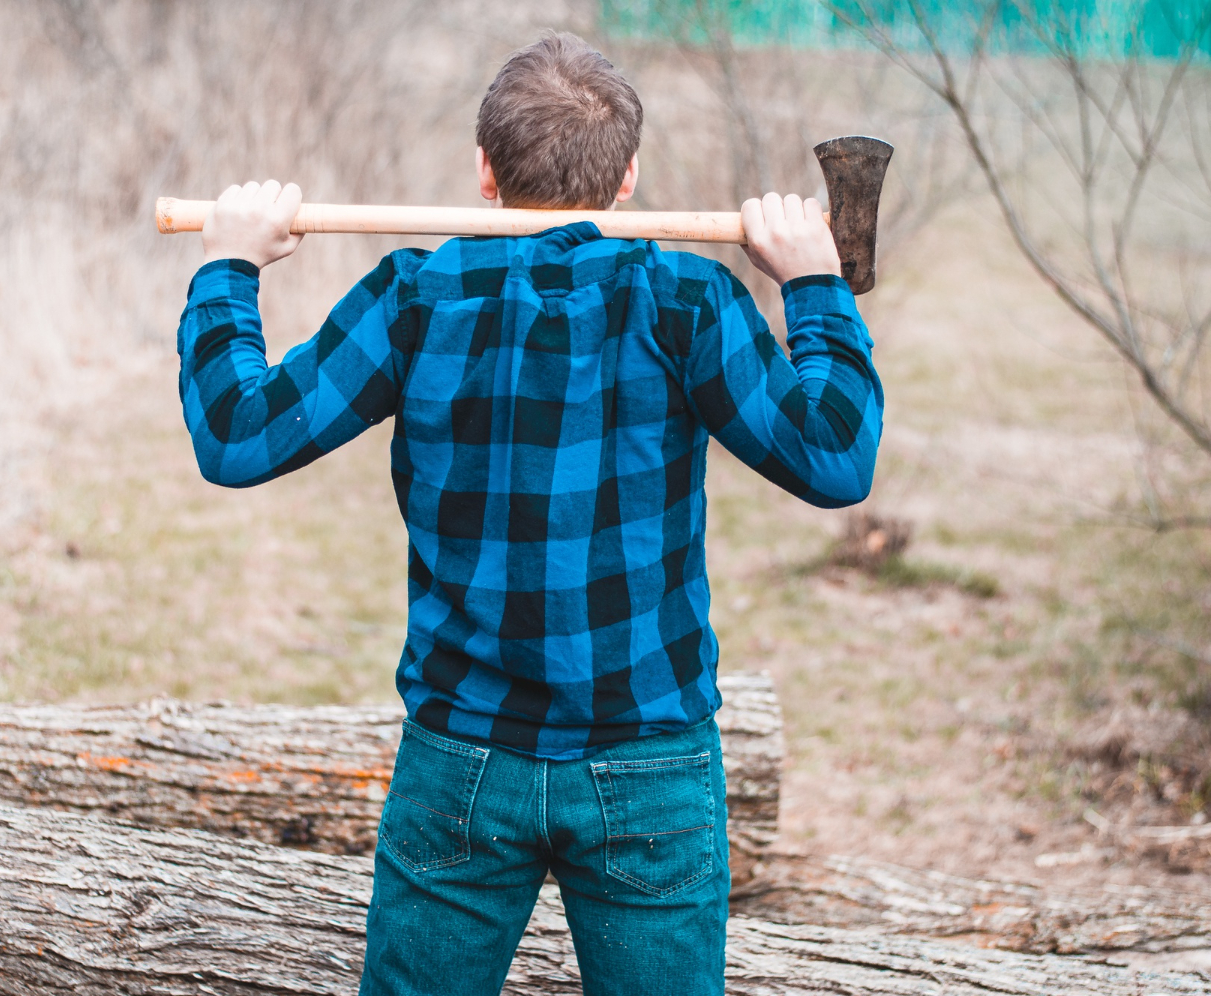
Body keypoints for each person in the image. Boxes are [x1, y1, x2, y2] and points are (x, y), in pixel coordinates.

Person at [176, 31, 883, 996]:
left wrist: (229, 267)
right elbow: (838, 454)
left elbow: (236, 434)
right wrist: (813, 286)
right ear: (627, 175)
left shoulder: (417, 298)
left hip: (462, 761)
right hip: (648, 759)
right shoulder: (688, 300)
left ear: (483, 171)